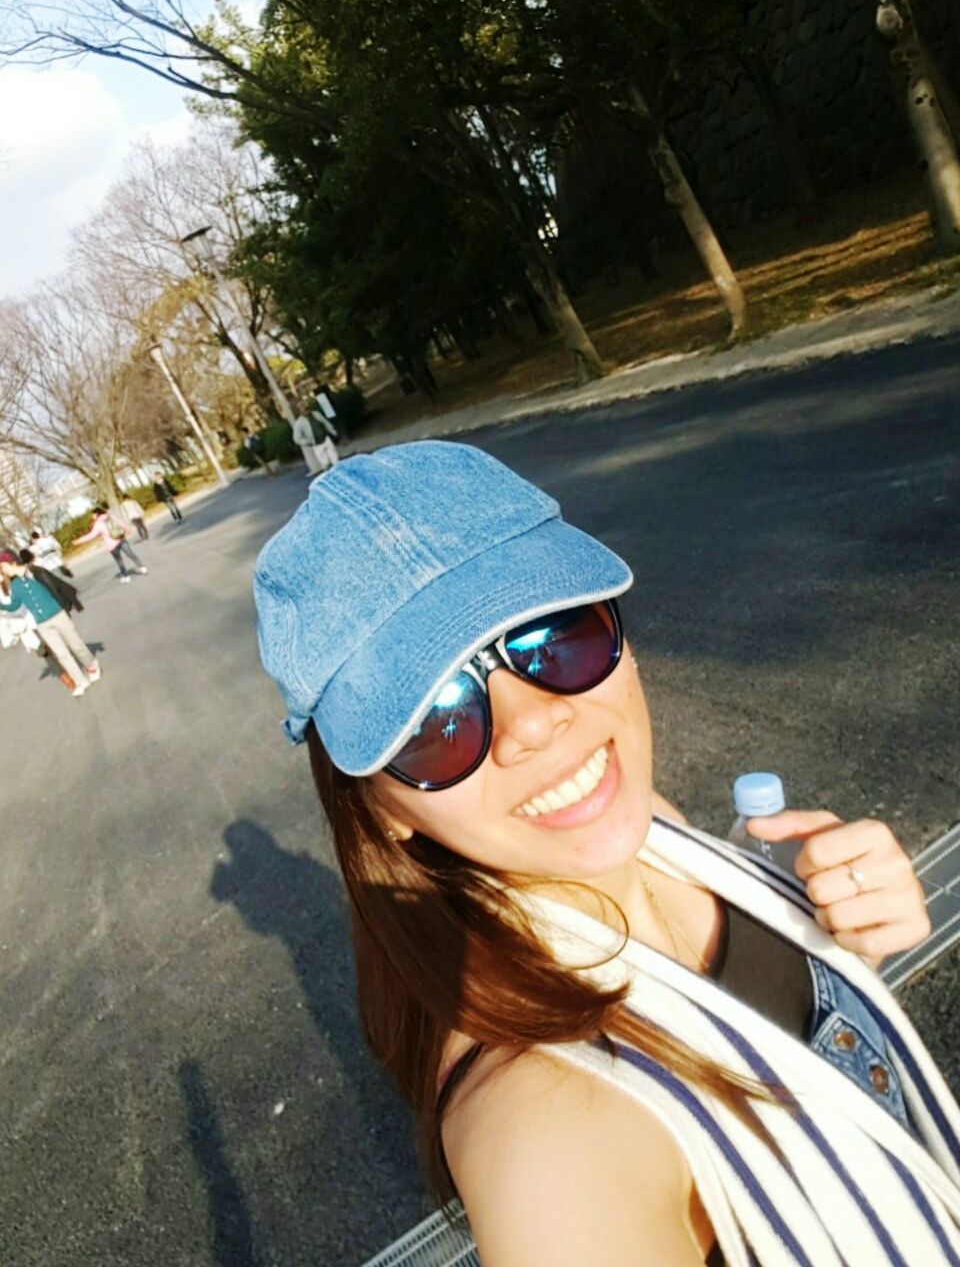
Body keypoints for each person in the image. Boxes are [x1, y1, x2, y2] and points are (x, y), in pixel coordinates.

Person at [253, 441, 960, 1267]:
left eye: (553, 635)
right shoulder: (545, 1134)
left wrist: (827, 916)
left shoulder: (636, 830)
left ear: (618, 632)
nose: (532, 724)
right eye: (433, 724)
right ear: (383, 810)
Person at [0, 549, 100, 696]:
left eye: (2, 567)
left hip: (58, 614)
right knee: (62, 655)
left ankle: (91, 665)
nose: (2, 571)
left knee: (76, 645)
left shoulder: (33, 571)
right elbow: (14, 605)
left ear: (12, 562)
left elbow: (54, 584)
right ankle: (81, 681)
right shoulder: (14, 586)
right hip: (42, 624)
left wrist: (68, 604)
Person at [74, 506, 148, 583]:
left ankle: (126, 576)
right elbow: (120, 523)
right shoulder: (110, 516)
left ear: (97, 514)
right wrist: (127, 529)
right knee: (131, 554)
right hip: (121, 539)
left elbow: (91, 535)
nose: (92, 517)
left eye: (93, 515)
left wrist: (79, 541)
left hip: (111, 545)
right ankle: (142, 567)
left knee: (119, 561)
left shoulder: (98, 524)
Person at [17, 549, 83, 615]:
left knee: (66, 592)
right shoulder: (36, 565)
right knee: (66, 592)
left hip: (49, 587)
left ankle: (73, 607)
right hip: (52, 584)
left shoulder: (28, 569)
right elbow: (48, 580)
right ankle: (76, 608)